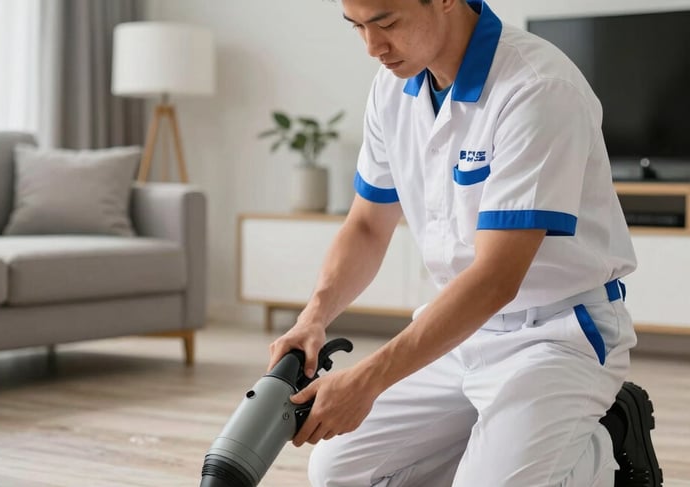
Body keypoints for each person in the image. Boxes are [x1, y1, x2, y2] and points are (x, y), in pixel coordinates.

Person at [267, 0, 664, 486]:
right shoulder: (392, 90)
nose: (372, 47)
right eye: (358, 27)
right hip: (460, 329)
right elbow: (368, 226)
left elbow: (496, 279)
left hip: (556, 335)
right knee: (336, 473)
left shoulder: (537, 87)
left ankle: (606, 440)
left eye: (387, 23)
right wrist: (313, 317)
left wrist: (367, 380)